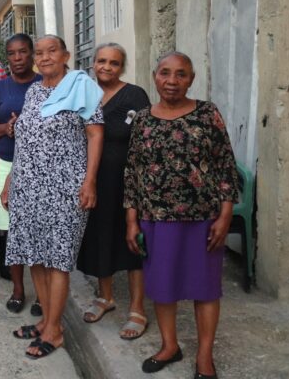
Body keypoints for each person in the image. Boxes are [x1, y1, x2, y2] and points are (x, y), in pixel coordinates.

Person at [124, 52, 238, 378]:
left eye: (181, 74)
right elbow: (132, 172)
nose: (172, 81)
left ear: (192, 78)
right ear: (155, 75)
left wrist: (225, 214)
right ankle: (170, 346)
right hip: (156, 218)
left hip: (203, 218)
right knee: (163, 286)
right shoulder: (143, 118)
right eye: (165, 73)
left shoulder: (207, 113)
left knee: (205, 288)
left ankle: (204, 356)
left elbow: (225, 165)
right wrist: (131, 221)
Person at [3, 35, 104, 359]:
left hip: (65, 189)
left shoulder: (81, 86)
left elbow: (95, 134)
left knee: (58, 261)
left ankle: (55, 330)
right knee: (35, 255)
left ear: (66, 55)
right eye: (40, 53)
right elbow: (25, 141)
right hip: (28, 186)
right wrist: (10, 180)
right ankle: (46, 320)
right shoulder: (34, 90)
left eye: (52, 52)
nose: (44, 58)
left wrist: (89, 182)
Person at [76, 43, 150, 339]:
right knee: (99, 236)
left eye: (114, 63)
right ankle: (105, 296)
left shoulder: (134, 95)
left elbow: (144, 139)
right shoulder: (84, 95)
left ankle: (137, 308)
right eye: (102, 61)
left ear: (122, 67)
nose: (107, 67)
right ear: (93, 63)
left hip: (127, 181)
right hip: (92, 180)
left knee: (132, 242)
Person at [0, 33, 42, 313]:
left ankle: (42, 293)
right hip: (4, 160)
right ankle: (18, 290)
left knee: (39, 228)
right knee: (9, 230)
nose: (17, 58)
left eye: (23, 52)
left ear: (32, 54)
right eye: (12, 53)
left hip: (39, 165)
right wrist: (8, 129)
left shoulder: (45, 85)